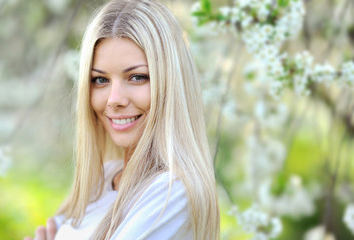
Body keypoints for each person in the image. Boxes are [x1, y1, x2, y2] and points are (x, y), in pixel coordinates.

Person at [24, 0, 220, 239]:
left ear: (170, 84)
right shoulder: (104, 179)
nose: (114, 100)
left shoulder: (172, 192)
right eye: (100, 80)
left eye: (137, 77)